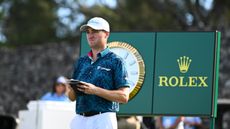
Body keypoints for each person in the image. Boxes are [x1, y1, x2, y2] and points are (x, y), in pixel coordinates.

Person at [67, 17, 130, 129]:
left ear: (106, 34)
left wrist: (95, 90)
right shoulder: (82, 61)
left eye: (95, 31)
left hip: (103, 118)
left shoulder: (116, 61)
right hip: (79, 119)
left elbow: (124, 96)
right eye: (88, 32)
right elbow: (72, 98)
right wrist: (72, 88)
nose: (90, 35)